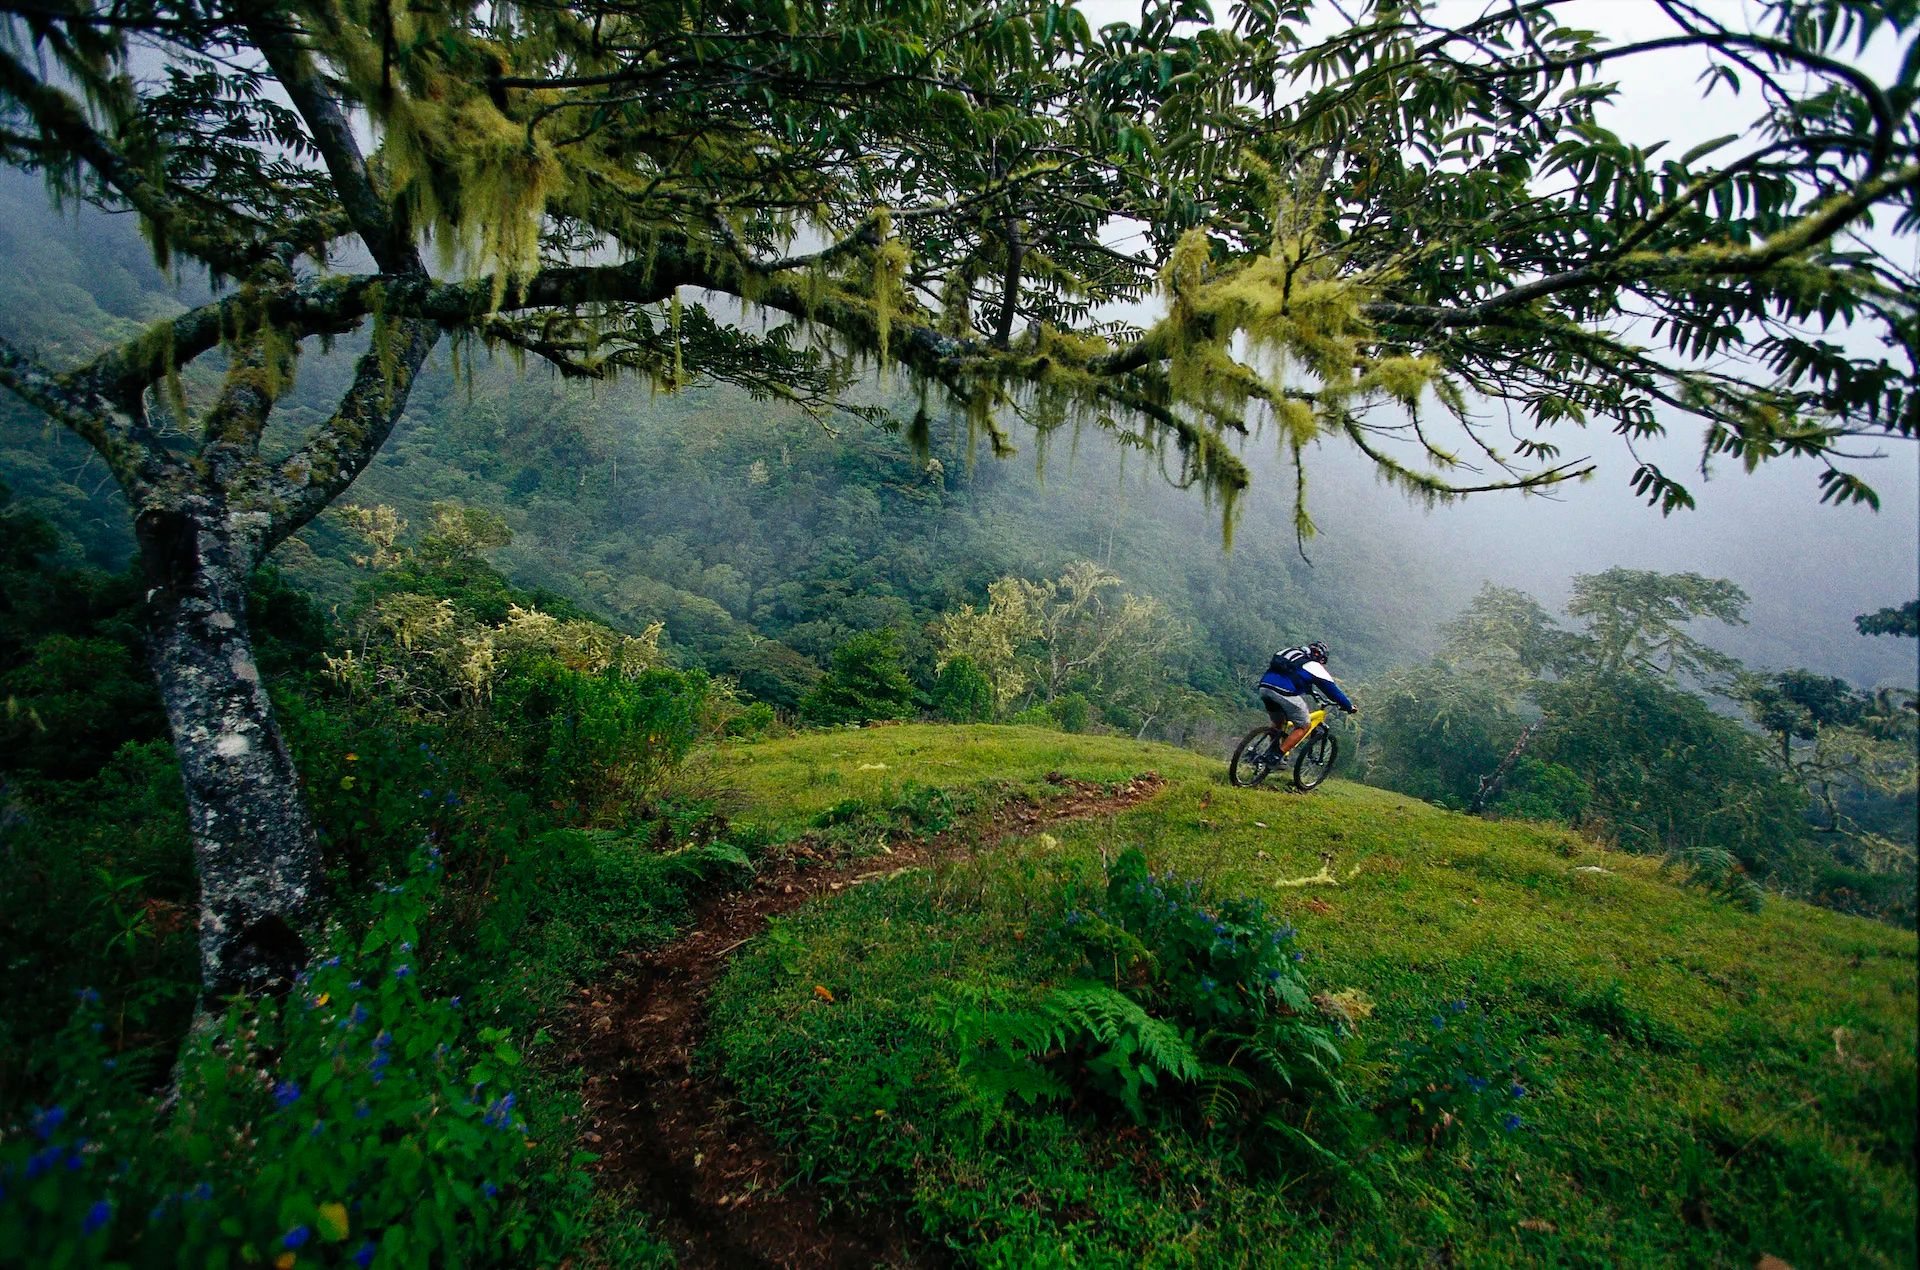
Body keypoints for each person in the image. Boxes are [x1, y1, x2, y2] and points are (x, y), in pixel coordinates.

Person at [1257, 641, 1356, 760]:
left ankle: (1269, 751)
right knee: (1304, 725)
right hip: (1283, 692)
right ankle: (1276, 756)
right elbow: (1332, 691)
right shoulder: (1313, 665)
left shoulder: (1292, 655)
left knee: (1279, 722)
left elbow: (1294, 676)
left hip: (1264, 687)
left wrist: (1310, 691)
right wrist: (1348, 706)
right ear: (1320, 657)